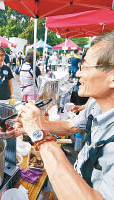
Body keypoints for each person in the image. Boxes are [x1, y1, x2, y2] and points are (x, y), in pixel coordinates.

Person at [14, 31, 114, 200]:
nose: (78, 74)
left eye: (86, 67)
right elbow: (71, 126)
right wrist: (31, 128)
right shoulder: (95, 104)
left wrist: (40, 136)